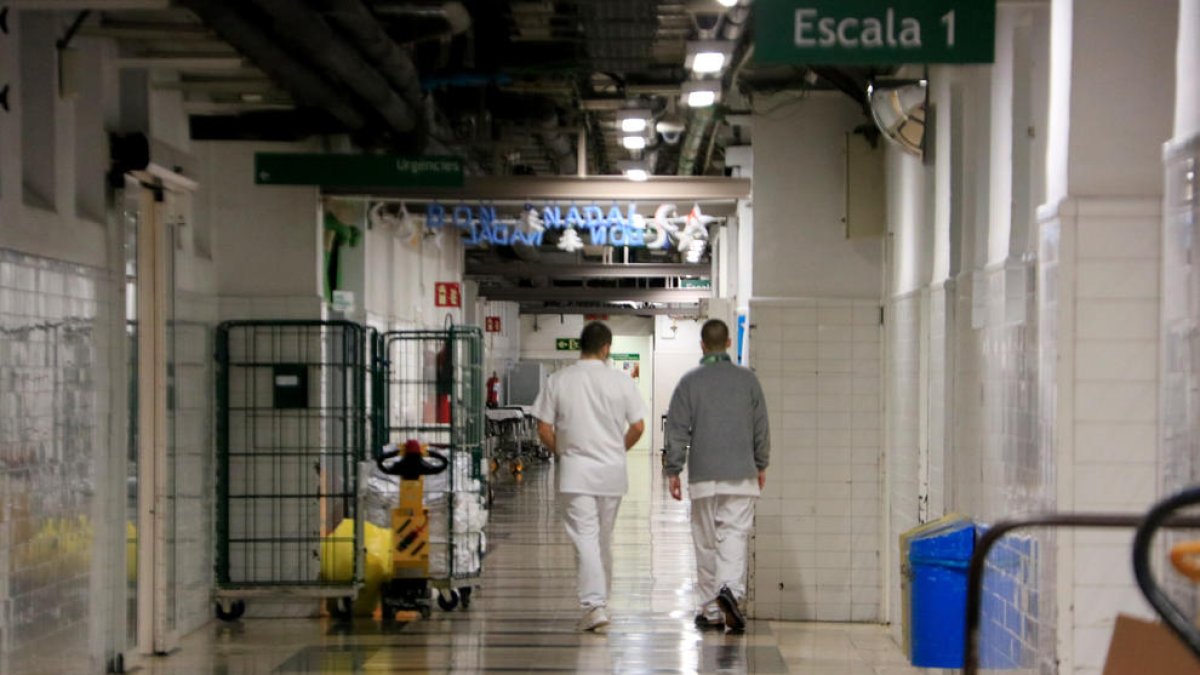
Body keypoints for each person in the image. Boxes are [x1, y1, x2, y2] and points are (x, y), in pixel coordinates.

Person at [532, 322, 646, 632]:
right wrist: (617, 451)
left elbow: (543, 427)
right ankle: (600, 601)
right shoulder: (621, 382)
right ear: (606, 347)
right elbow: (637, 427)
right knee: (603, 538)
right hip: (611, 472)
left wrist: (563, 452)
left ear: (581, 345)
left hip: (576, 473)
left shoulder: (559, 380)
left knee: (585, 537)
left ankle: (594, 605)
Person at [664, 319, 770, 634]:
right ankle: (731, 593)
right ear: (727, 344)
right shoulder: (748, 381)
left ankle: (710, 608)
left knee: (706, 540)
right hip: (741, 473)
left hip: (703, 475)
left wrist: (674, 468)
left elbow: (677, 428)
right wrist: (761, 463)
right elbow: (761, 427)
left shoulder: (688, 382)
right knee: (734, 535)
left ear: (701, 345)